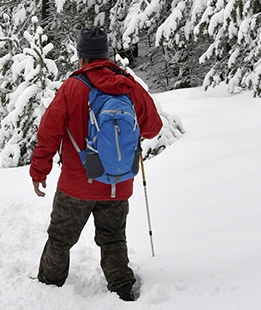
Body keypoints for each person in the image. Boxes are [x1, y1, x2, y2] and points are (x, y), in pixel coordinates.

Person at [29, 27, 163, 302]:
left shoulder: (72, 87)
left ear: (82, 57)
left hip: (77, 185)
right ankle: (122, 287)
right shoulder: (128, 85)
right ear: (105, 55)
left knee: (60, 237)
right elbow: (153, 128)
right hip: (118, 182)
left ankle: (49, 286)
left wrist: (39, 171)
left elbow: (49, 132)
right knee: (113, 238)